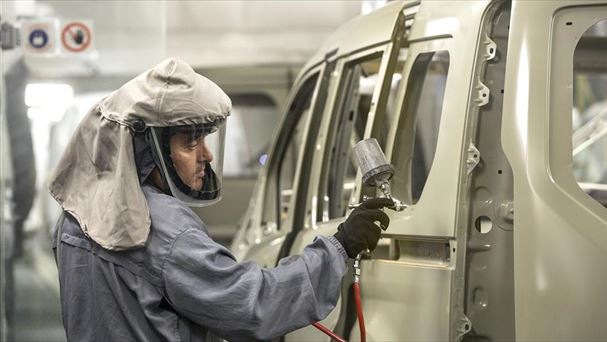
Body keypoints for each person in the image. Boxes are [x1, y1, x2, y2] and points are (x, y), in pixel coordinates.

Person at [49, 58, 392, 341]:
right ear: (147, 149)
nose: (208, 155)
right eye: (190, 143)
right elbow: (252, 305)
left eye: (205, 139)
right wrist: (339, 246)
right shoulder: (162, 229)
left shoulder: (74, 218)